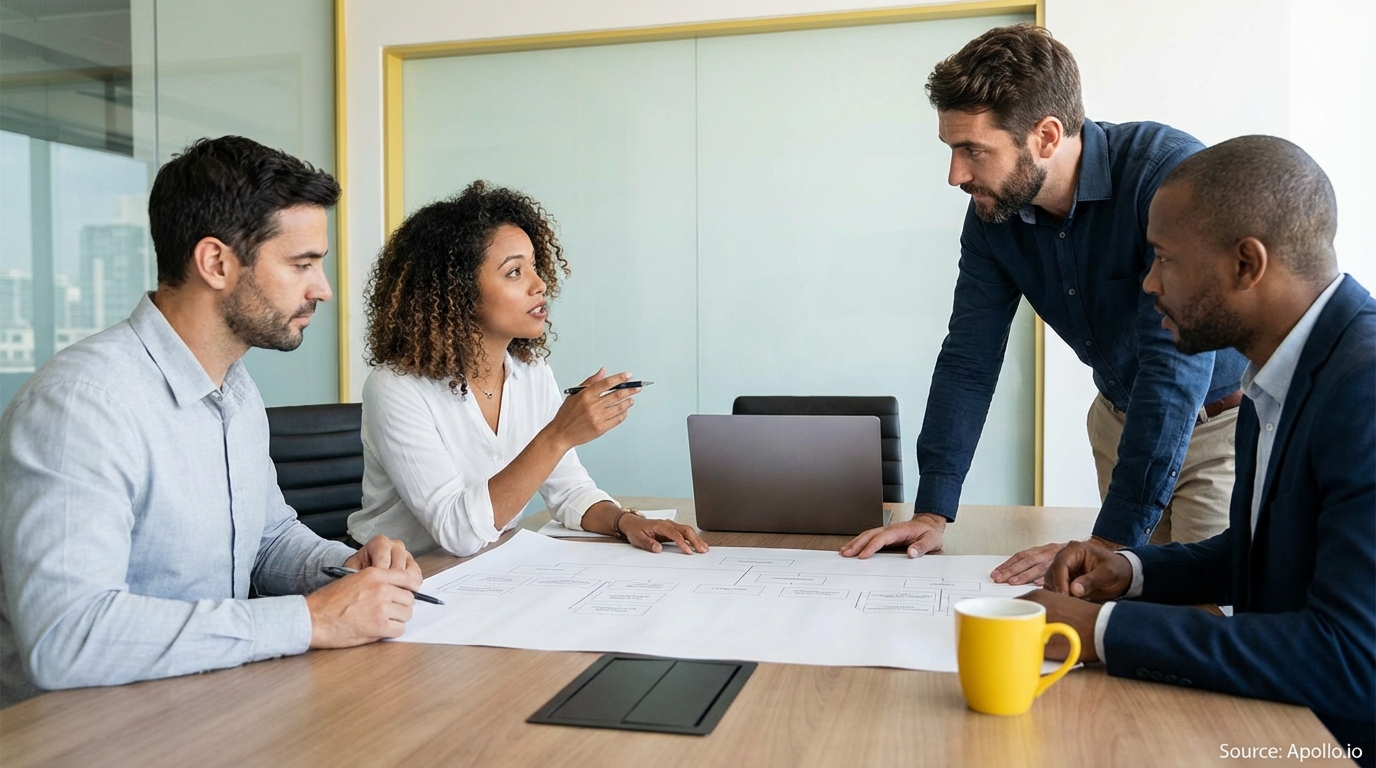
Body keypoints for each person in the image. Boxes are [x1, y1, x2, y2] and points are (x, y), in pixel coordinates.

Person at [0, 136, 424, 708]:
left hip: (207, 704)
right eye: (302, 264)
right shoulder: (81, 405)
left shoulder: (235, 388)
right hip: (84, 732)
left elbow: (266, 541)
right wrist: (309, 620)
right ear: (216, 263)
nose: (321, 289)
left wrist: (343, 567)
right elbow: (67, 638)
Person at [840, 24, 1247, 585]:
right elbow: (969, 357)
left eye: (972, 150)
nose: (955, 175)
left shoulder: (1165, 178)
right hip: (1120, 424)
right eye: (952, 149)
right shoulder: (992, 215)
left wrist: (1109, 539)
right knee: (1115, 613)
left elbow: (1173, 369)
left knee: (1202, 622)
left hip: (1221, 431)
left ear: (1047, 136)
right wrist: (934, 508)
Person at [1022, 136, 1374, 762]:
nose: (1150, 283)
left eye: (1162, 259)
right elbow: (1270, 551)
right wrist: (1133, 571)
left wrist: (1102, 631)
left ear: (1247, 265)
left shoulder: (1365, 388)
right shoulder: (1278, 369)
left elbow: (1348, 657)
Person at [346, 181, 707, 558]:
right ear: (457, 291)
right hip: (405, 578)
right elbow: (457, 533)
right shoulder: (395, 387)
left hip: (491, 567)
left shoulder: (531, 372)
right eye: (514, 272)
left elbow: (569, 491)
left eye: (534, 266)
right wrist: (559, 434)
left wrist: (626, 522)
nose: (540, 284)